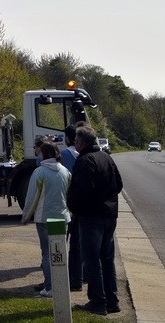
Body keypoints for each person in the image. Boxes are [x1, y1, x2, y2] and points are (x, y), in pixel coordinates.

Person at [68, 125, 123, 316]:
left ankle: (98, 302)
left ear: (81, 142)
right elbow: (119, 184)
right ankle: (112, 301)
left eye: (76, 140)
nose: (74, 143)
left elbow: (82, 191)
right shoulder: (107, 157)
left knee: (92, 260)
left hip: (91, 217)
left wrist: (74, 207)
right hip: (109, 215)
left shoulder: (84, 160)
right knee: (107, 259)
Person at [20, 141, 71, 297]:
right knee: (60, 251)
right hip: (63, 217)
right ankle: (61, 284)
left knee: (47, 253)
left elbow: (31, 198)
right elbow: (68, 195)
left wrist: (26, 216)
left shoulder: (39, 172)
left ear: (43, 154)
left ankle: (49, 287)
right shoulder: (65, 171)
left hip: (44, 218)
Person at [60, 125, 82, 292]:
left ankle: (64, 270)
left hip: (67, 200)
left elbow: (41, 161)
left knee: (64, 237)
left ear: (68, 138)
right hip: (82, 201)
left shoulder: (65, 154)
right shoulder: (83, 154)